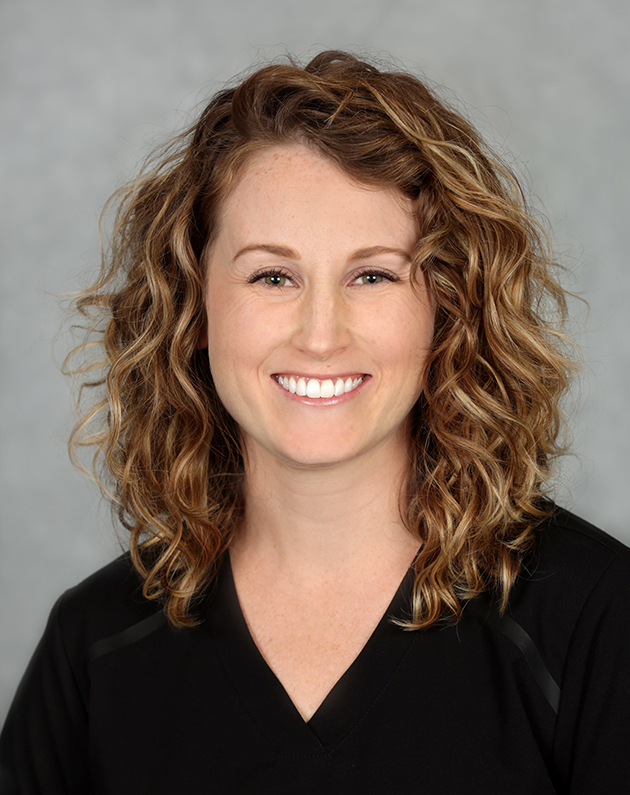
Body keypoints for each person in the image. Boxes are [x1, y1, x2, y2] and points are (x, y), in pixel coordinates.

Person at [1, 50, 629, 795]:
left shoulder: (596, 620)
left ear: (446, 308)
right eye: (273, 275)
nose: (321, 335)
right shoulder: (96, 646)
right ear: (194, 307)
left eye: (373, 274)